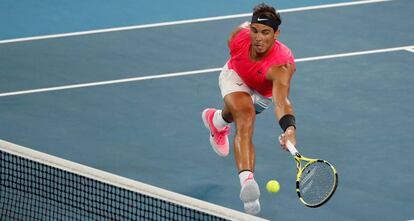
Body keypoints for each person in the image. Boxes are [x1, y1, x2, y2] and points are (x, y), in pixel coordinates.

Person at [201, 3, 297, 215]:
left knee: (234, 114)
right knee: (245, 116)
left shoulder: (282, 67)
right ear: (249, 29)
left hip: (265, 91)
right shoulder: (238, 38)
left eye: (265, 32)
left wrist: (289, 129)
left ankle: (216, 121)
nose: (258, 38)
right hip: (235, 74)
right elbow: (240, 35)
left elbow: (281, 101)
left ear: (276, 34)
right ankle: (248, 185)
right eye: (254, 30)